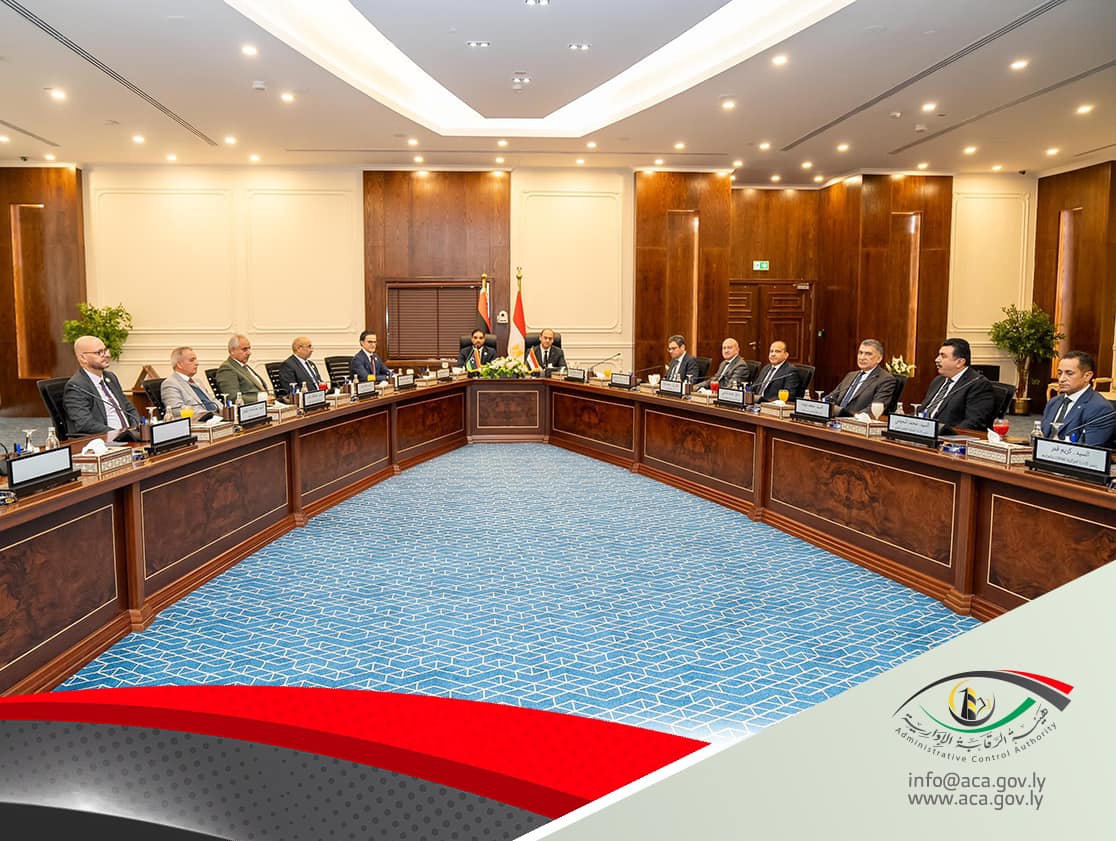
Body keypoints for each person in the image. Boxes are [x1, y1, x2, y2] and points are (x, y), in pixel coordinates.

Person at [62, 335, 140, 439]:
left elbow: (129, 408)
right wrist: (120, 434)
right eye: (99, 352)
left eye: (105, 350)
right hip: (106, 440)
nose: (107, 355)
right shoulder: (76, 386)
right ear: (83, 358)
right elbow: (85, 424)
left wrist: (135, 428)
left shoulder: (110, 377)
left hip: (129, 437)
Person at [917, 337, 996, 433]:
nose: (937, 360)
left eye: (943, 356)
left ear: (959, 362)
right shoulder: (938, 380)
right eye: (939, 355)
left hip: (948, 437)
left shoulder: (978, 384)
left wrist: (942, 433)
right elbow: (923, 410)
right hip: (923, 432)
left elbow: (974, 423)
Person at [1041, 351, 1115, 446]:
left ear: (1087, 376)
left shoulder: (1101, 409)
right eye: (1059, 373)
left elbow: (1089, 449)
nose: (1061, 379)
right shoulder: (1053, 402)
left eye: (1069, 373)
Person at [825, 339, 898, 416]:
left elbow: (874, 410)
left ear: (879, 358)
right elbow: (831, 398)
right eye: (860, 353)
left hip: (855, 421)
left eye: (868, 354)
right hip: (834, 419)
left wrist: (850, 416)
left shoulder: (885, 379)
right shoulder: (850, 375)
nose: (862, 357)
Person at [161, 346, 220, 418]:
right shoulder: (170, 383)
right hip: (200, 421)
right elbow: (176, 410)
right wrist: (207, 415)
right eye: (191, 360)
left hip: (218, 418)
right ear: (179, 364)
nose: (197, 363)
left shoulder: (198, 381)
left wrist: (226, 411)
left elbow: (212, 400)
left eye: (196, 360)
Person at [216, 334, 271, 402]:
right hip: (253, 406)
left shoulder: (243, 365)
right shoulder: (226, 369)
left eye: (249, 349)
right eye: (244, 349)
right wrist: (262, 398)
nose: (249, 353)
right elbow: (233, 397)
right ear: (232, 351)